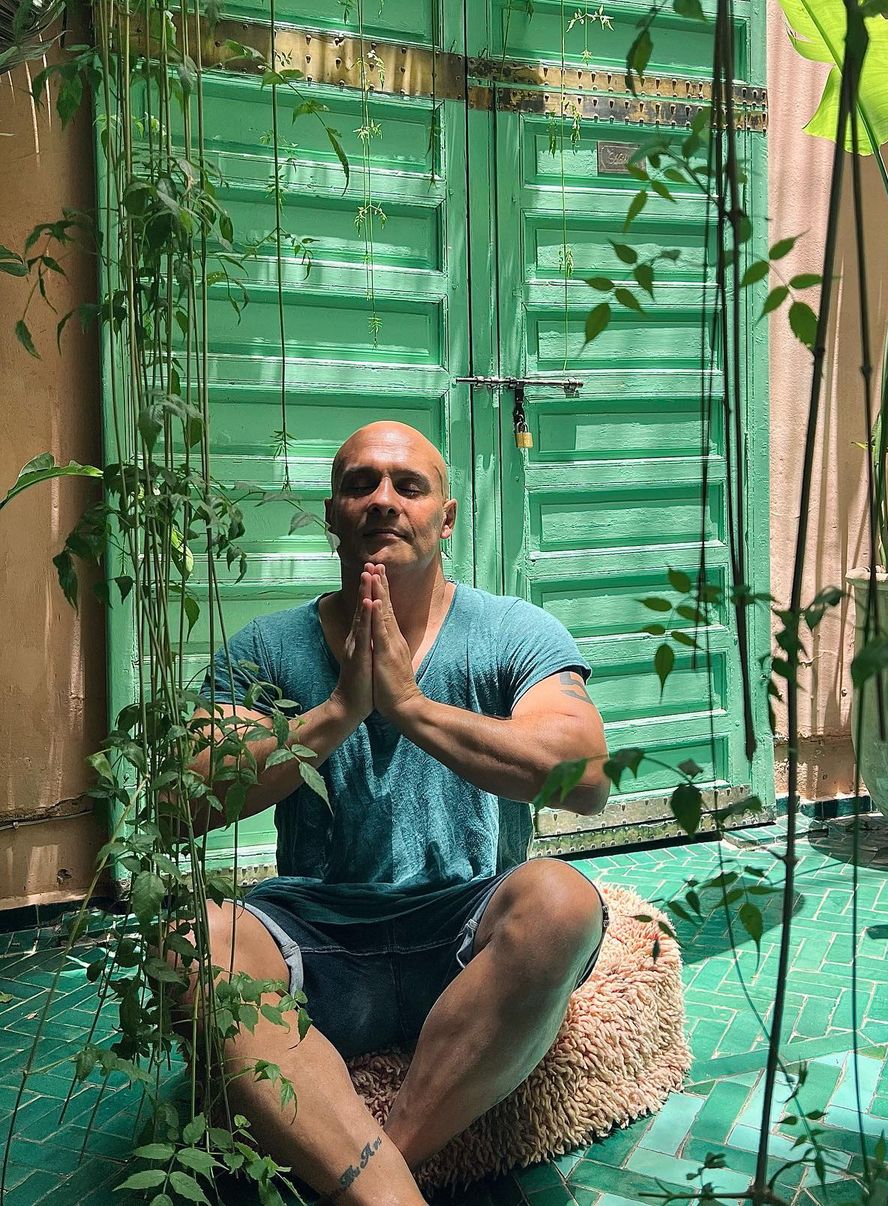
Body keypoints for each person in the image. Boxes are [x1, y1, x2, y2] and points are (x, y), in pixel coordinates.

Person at [184, 421, 611, 1205]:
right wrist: (339, 711)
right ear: (333, 515)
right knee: (190, 941)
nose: (384, 500)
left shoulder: (512, 630)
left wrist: (411, 707)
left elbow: (585, 778)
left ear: (445, 520)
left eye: (408, 486)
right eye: (361, 485)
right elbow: (185, 794)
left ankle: (383, 1176)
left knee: (564, 902)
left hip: (464, 937)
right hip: (316, 939)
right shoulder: (268, 647)